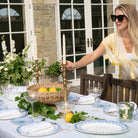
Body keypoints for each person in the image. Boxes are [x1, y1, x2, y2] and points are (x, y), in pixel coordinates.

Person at [61, 4, 138, 80]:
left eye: (120, 18)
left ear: (130, 18)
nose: (116, 21)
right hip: (126, 88)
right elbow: (92, 55)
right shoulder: (112, 39)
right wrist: (74, 65)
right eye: (114, 17)